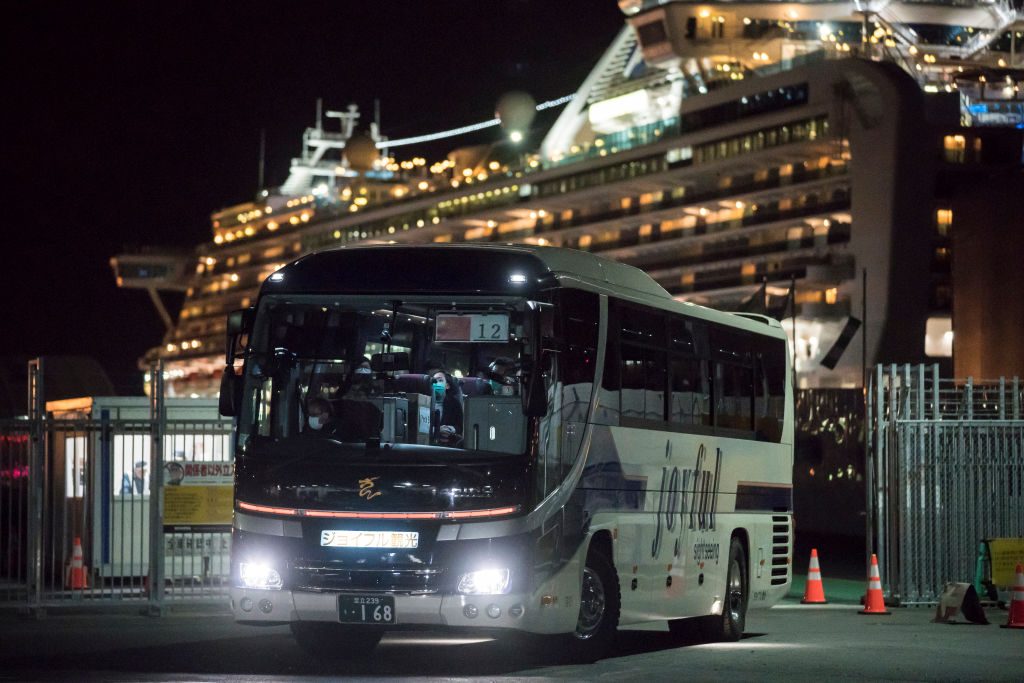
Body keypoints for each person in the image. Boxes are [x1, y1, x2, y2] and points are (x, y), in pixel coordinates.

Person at [429, 369, 463, 446]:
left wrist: (450, 429)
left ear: (447, 386)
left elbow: (460, 427)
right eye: (434, 381)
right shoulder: (425, 401)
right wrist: (437, 429)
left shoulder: (454, 403)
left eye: (440, 380)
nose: (436, 383)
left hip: (447, 443)